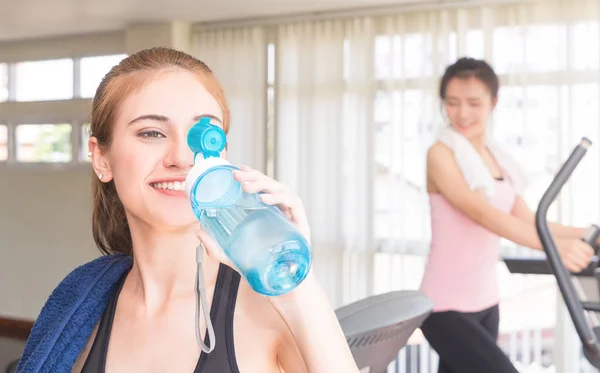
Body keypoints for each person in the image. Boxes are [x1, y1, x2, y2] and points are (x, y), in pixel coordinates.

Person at [16, 47, 359, 373]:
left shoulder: (270, 311)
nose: (181, 158)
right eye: (152, 132)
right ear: (101, 158)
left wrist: (298, 293)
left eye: (203, 132)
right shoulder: (82, 302)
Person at [419, 57, 597, 373]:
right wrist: (555, 249)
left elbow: (531, 221)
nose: (462, 113)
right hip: (444, 307)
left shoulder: (496, 158)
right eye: (453, 103)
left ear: (493, 103)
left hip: (486, 301)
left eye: (474, 103)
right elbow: (482, 214)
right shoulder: (440, 154)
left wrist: (584, 233)